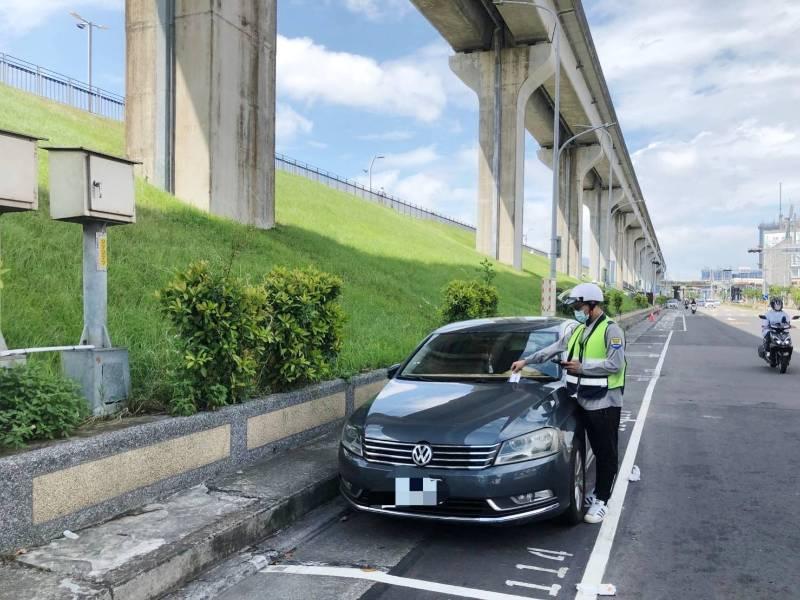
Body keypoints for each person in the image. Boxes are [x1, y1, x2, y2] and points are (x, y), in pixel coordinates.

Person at [511, 283, 626, 524]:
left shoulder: (611, 330)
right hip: (582, 399)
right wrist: (526, 361)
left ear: (593, 305)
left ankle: (603, 499)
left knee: (606, 453)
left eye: (578, 305)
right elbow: (554, 348)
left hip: (605, 403)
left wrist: (583, 367)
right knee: (593, 447)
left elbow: (615, 364)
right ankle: (598, 492)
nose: (576, 309)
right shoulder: (578, 330)